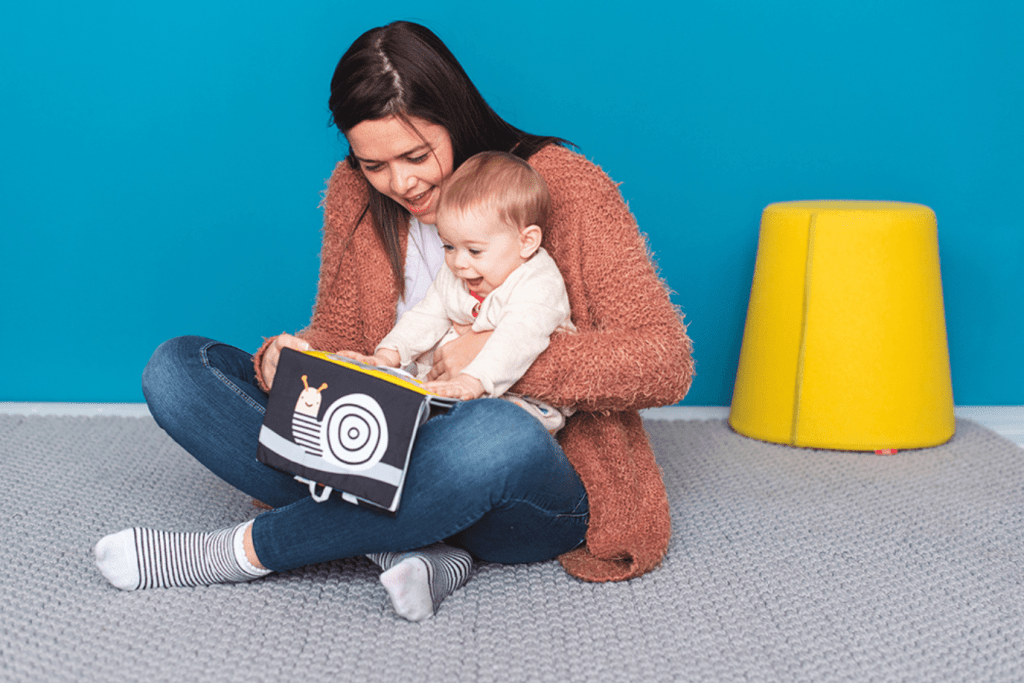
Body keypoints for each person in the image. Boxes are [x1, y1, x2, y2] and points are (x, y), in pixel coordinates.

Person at [93, 21, 694, 622]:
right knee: (177, 370)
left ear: (455, 118)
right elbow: (343, 333)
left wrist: (492, 361)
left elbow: (666, 361)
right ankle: (415, 547)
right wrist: (301, 356)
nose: (400, 183)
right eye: (374, 164)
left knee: (491, 434)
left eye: (415, 155)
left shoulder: (559, 186)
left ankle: (240, 552)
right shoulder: (355, 193)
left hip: (525, 479)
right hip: (381, 445)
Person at [355, 150, 575, 433]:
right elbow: (426, 315)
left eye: (474, 250)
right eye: (448, 246)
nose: (458, 263)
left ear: (527, 242)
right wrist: (387, 356)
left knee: (498, 425)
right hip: (449, 392)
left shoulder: (538, 283)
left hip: (525, 402)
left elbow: (516, 339)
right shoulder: (456, 273)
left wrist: (472, 381)